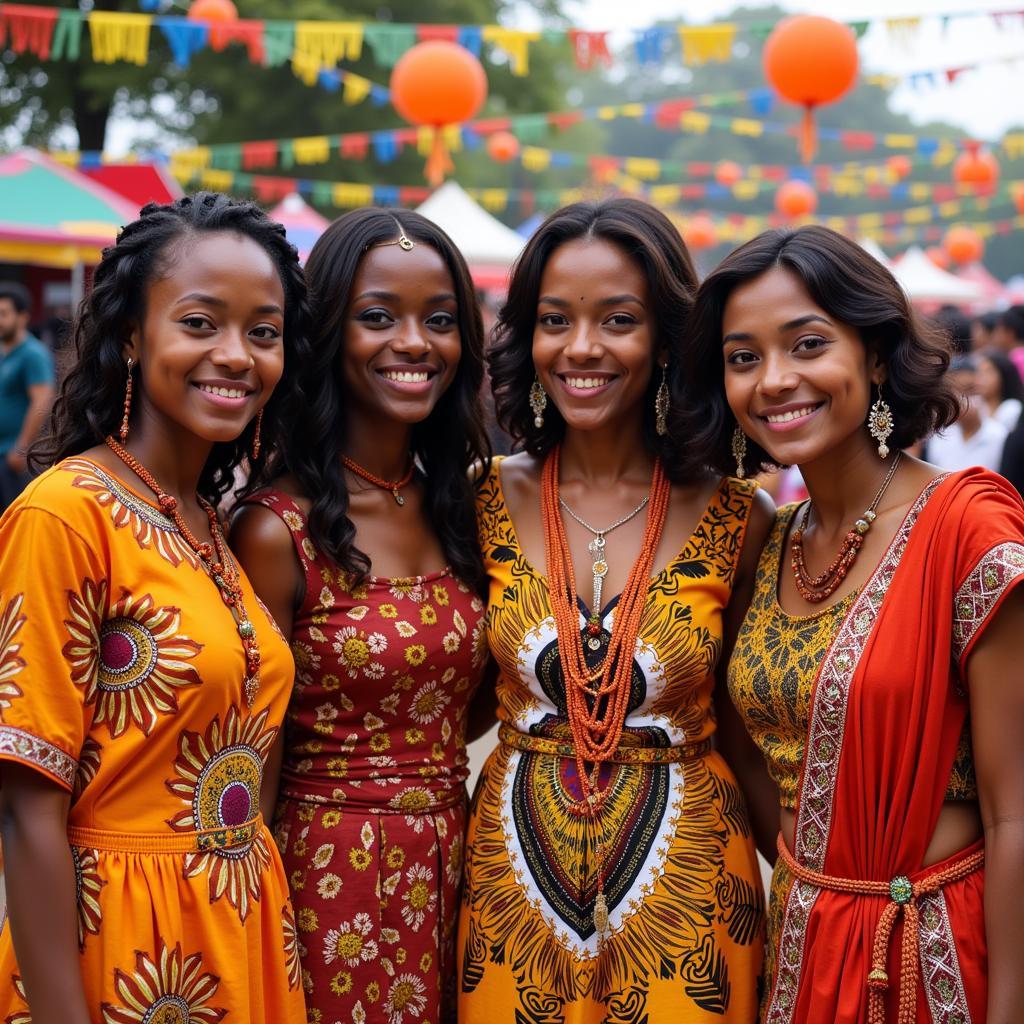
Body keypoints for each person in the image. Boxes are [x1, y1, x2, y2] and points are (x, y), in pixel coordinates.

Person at [681, 224, 1024, 1023]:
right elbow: (748, 755)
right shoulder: (770, 544)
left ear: (874, 355)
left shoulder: (967, 529)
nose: (774, 380)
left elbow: (1016, 813)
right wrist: (822, 888)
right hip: (807, 951)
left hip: (940, 957)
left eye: (807, 344)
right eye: (743, 357)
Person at [457, 198, 772, 1022]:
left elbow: (746, 729)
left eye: (618, 320)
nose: (582, 348)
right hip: (509, 891)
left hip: (693, 887)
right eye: (555, 320)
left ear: (667, 339)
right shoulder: (480, 497)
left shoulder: (741, 516)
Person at [0, 193, 311, 1023]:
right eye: (201, 323)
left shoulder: (213, 522)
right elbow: (28, 805)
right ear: (132, 337)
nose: (237, 355)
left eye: (264, 331)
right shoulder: (66, 513)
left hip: (241, 931)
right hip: (122, 948)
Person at [230, 208, 491, 1024]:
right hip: (329, 879)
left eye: (439, 320)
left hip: (466, 865)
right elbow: (251, 753)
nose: (414, 343)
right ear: (327, 333)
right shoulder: (277, 529)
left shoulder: (464, 505)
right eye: (378, 317)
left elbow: (478, 693)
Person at [0, 281, 55, 510]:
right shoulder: (4, 352)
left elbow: (42, 399)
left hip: (13, 458)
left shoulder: (33, 354)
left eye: (4, 314)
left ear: (22, 317)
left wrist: (21, 448)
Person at [925, 354, 1008, 472]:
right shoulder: (939, 437)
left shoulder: (1000, 437)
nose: (960, 400)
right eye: (953, 393)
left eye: (969, 390)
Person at [975, 348, 1024, 431]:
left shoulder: (1012, 407)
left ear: (1004, 376)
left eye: (988, 372)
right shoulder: (975, 404)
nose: (981, 378)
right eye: (979, 372)